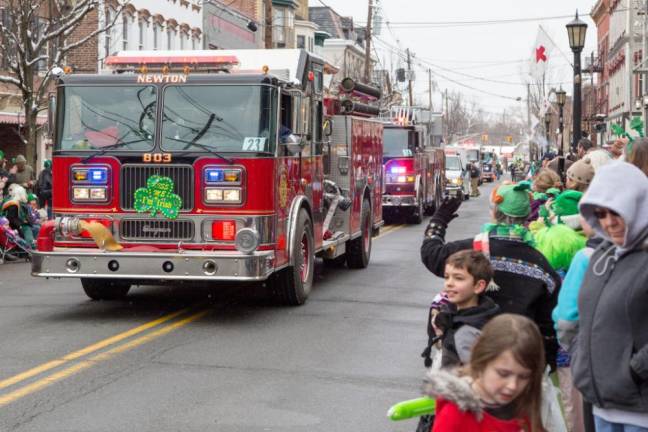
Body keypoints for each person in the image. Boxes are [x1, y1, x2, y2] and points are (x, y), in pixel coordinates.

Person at [421, 188, 561, 372]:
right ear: (527, 216)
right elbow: (549, 325)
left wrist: (439, 219)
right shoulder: (542, 265)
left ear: (495, 213)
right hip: (518, 362)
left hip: (466, 363)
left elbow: (431, 253)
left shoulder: (470, 253)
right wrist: (545, 363)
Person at [571, 161, 648, 431]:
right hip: (602, 405)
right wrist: (581, 360)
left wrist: (633, 371)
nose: (609, 222)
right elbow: (586, 317)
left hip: (639, 411)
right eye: (600, 214)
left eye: (618, 213)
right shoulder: (602, 255)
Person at [423, 314, 545, 432]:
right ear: (481, 362)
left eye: (524, 377)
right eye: (503, 374)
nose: (512, 385)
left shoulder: (524, 409)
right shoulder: (455, 414)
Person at [431, 250, 500, 368]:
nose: (449, 283)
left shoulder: (473, 330)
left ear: (478, 286)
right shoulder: (451, 315)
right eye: (447, 277)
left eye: (458, 278)